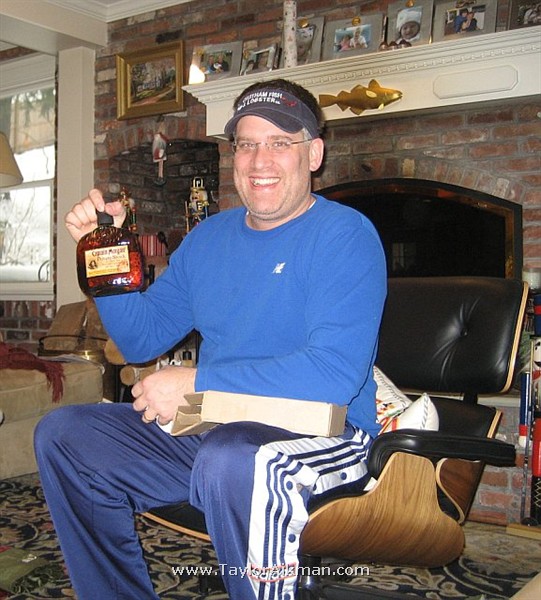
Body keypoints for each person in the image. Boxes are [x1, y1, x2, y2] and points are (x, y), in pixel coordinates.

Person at [34, 78, 387, 600]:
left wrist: (197, 381)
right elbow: (142, 339)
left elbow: (332, 376)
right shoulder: (209, 239)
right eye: (247, 144)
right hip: (216, 422)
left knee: (234, 458)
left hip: (327, 432)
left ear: (313, 154)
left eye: (280, 143)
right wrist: (105, 256)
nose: (260, 160)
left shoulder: (345, 235)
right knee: (66, 435)